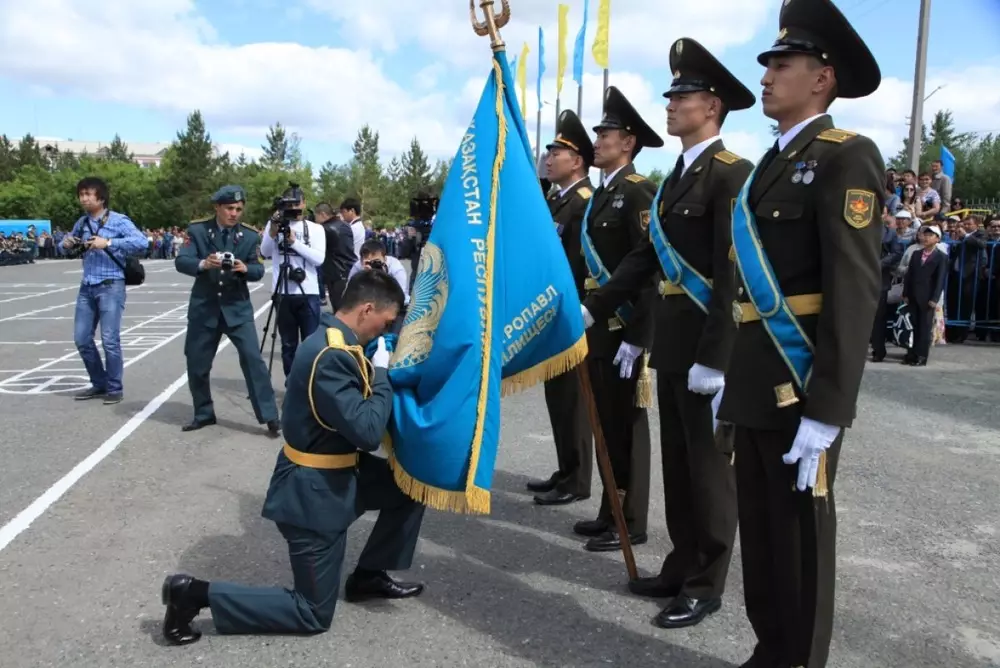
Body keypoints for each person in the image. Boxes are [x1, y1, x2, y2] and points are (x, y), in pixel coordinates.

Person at [717, 1, 885, 666]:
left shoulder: (847, 157)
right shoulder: (769, 164)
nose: (765, 77)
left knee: (800, 536)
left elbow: (854, 287)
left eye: (781, 65)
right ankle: (771, 649)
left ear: (822, 77)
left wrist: (830, 408)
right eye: (767, 65)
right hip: (755, 375)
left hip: (800, 378)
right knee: (760, 531)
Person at [582, 38, 754, 629]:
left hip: (706, 345)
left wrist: (719, 355)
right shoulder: (678, 175)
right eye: (671, 95)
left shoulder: (731, 174)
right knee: (680, 467)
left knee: (709, 471)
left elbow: (733, 271)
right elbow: (645, 258)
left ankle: (706, 583)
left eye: (682, 96)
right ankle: (681, 566)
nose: (670, 104)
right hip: (676, 345)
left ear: (712, 106)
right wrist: (595, 306)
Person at [159, 271, 425, 645]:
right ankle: (192, 594)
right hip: (312, 492)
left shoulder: (337, 340)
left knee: (410, 486)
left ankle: (369, 575)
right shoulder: (332, 356)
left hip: (339, 471)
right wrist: (381, 373)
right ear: (367, 310)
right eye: (386, 321)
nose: (387, 330)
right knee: (312, 613)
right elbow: (366, 431)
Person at [574, 86, 661, 552]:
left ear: (628, 142)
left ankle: (631, 518)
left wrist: (639, 335)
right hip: (599, 325)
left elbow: (647, 269)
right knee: (605, 421)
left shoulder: (638, 191)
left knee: (626, 424)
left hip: (622, 328)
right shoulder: (603, 196)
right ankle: (610, 510)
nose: (597, 141)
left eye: (605, 135)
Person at [525, 110, 595, 507]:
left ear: (578, 161)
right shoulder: (558, 201)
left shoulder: (584, 203)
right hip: (552, 311)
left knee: (573, 399)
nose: (548, 159)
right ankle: (566, 467)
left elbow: (582, 264)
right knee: (558, 396)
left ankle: (577, 478)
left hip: (572, 312)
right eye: (548, 153)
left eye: (556, 153)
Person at [175, 186, 280, 436]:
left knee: (253, 361)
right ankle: (203, 413)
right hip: (205, 308)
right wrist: (203, 263)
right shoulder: (198, 231)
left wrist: (245, 269)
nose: (234, 213)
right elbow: (182, 260)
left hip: (237, 309)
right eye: (230, 208)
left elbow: (259, 269)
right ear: (217, 207)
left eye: (239, 209)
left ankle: (270, 416)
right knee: (197, 363)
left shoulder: (249, 236)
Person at [62, 177, 148, 404]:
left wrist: (109, 242)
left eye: (88, 194)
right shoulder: (82, 222)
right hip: (87, 285)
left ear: (101, 197)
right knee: (81, 339)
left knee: (110, 339)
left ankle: (114, 387)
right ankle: (99, 382)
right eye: (81, 195)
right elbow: (66, 246)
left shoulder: (118, 220)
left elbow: (142, 242)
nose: (84, 199)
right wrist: (67, 243)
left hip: (111, 285)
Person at [260, 186, 327, 379]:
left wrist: (294, 242)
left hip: (308, 292)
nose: (293, 209)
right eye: (288, 205)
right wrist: (272, 230)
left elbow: (319, 259)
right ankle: (291, 383)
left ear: (304, 204)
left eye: (296, 204)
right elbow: (264, 252)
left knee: (311, 344)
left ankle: (310, 384)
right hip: (283, 292)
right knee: (288, 345)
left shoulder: (315, 229)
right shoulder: (274, 225)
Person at [902, 225, 948, 366]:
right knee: (912, 326)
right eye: (925, 235)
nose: (926, 238)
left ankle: (921, 356)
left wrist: (935, 298)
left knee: (924, 327)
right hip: (913, 295)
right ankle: (911, 353)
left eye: (930, 235)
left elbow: (940, 279)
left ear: (937, 239)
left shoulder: (941, 257)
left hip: (927, 297)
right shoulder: (916, 254)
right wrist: (906, 293)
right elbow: (909, 275)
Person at [316, 203, 356, 311]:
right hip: (348, 269)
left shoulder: (325, 229)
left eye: (316, 216)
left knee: (339, 309)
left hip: (336, 272)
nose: (316, 219)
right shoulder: (345, 225)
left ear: (323, 214)